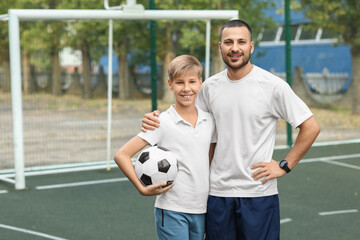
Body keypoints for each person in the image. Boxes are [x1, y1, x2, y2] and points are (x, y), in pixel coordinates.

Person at [141, 19, 320, 240]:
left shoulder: (272, 86)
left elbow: (310, 126)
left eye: (241, 42)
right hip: (217, 195)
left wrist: (285, 165)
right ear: (220, 47)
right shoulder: (208, 88)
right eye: (228, 42)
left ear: (251, 47)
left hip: (258, 194)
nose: (235, 48)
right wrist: (155, 118)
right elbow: (190, 120)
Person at [114, 54, 216, 240]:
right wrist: (141, 188)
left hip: (203, 208)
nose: (186, 88)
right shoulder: (161, 122)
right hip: (172, 209)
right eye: (179, 82)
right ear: (170, 84)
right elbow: (122, 155)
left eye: (192, 81)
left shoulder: (209, 120)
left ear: (200, 83)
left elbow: (209, 159)